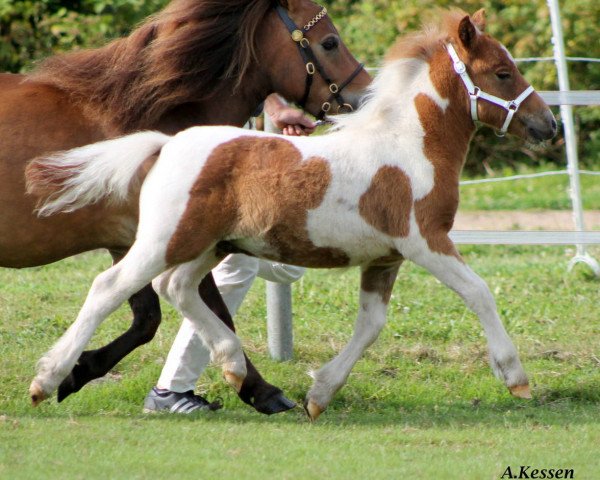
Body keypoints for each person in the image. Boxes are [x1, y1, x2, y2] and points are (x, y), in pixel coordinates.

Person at [143, 94, 316, 413]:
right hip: (203, 176)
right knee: (239, 261)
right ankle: (171, 390)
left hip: (236, 166)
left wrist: (276, 111)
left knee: (289, 267)